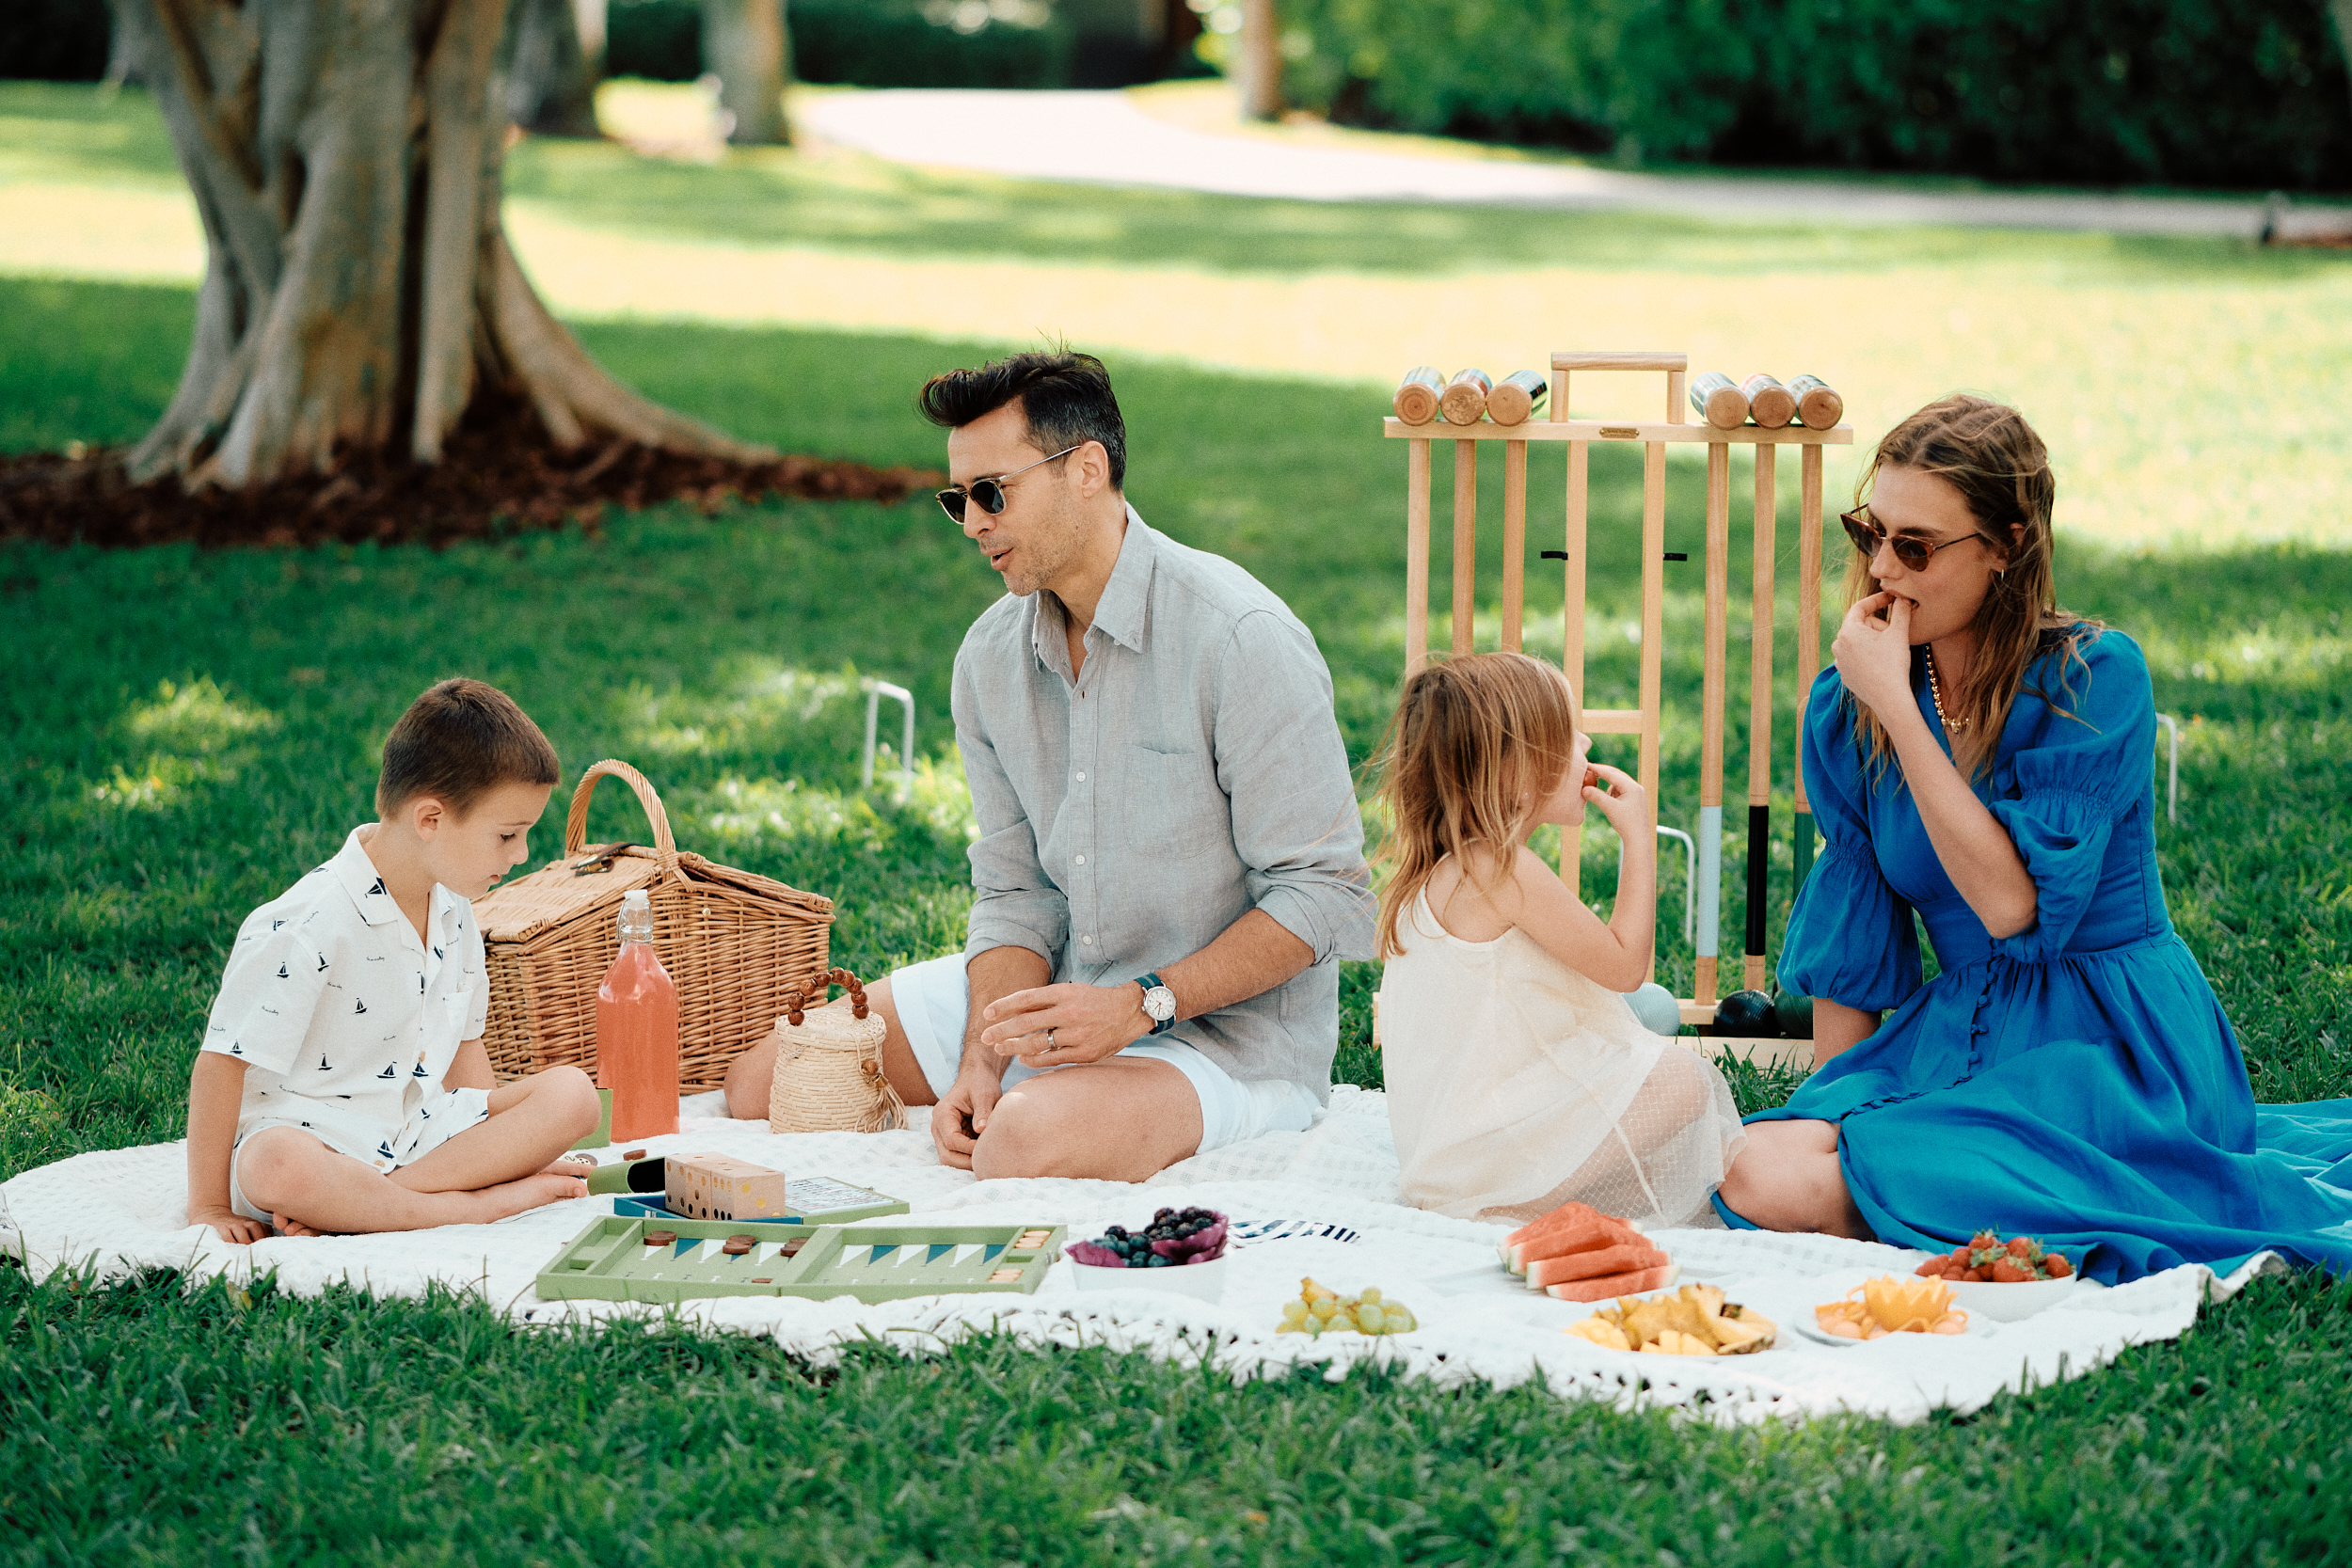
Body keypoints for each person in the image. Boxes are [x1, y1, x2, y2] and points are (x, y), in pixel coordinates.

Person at [1716, 394, 2352, 1281]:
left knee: (1797, 1182)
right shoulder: (1845, 708)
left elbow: (2013, 905)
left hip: (2113, 1043)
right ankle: (1949, 1184)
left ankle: (2002, 1186)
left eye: (1917, 546)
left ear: (2007, 547)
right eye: (1873, 534)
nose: (1883, 572)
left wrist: (1896, 706)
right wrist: (1837, 1107)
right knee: (1754, 1168)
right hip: (1967, 1022)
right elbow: (1855, 933)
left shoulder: (2096, 679)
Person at [724, 352, 1375, 1180]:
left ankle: (1070, 1095)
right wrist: (981, 1060)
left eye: (993, 492)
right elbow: (1015, 892)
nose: (972, 524)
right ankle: (1035, 1078)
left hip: (1228, 1035)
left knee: (1022, 1141)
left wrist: (1139, 1006)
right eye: (956, 500)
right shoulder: (990, 657)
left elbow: (1325, 894)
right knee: (769, 1080)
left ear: (1087, 471)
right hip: (1060, 989)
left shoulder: (1240, 638)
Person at [184, 679, 602, 1243]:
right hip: (317, 1141)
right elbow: (221, 1063)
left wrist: (493, 1140)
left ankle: (387, 1202)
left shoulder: (454, 910)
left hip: (420, 1134)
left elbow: (464, 1053)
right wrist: (209, 1208)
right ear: (429, 819)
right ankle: (468, 1209)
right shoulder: (306, 922)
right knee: (275, 1164)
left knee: (574, 1095)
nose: (522, 854)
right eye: (507, 835)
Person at [1371, 652, 1746, 1226]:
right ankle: (1515, 1202)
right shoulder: (1501, 868)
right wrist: (1638, 840)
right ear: (1517, 772)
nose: (1588, 745)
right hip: (1479, 1161)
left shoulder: (1447, 867)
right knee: (1684, 1081)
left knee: (1638, 1022)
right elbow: (1624, 966)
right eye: (1569, 736)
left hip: (1445, 1148)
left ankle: (1513, 1186)